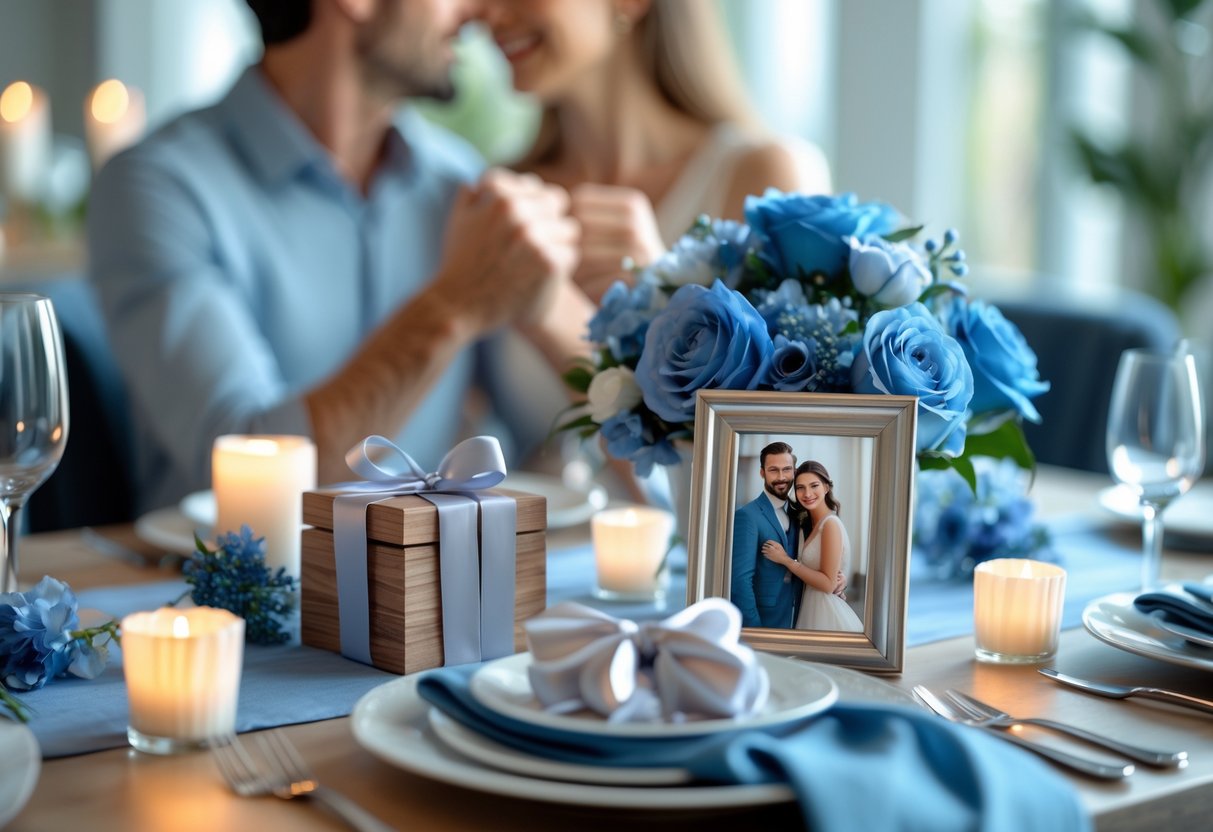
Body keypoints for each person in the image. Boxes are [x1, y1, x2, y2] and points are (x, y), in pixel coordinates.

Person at [88, 0, 594, 512]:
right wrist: (451, 306)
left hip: (426, 583)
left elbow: (558, 438)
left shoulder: (456, 184)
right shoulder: (157, 187)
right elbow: (251, 482)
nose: (479, 11)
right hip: (223, 588)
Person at [476, 0, 832, 458]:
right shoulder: (500, 200)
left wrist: (666, 297)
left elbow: (786, 463)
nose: (490, 15)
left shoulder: (764, 178)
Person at [762, 460, 863, 633]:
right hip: (809, 608)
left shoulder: (830, 524)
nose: (807, 493)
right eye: (800, 487)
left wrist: (786, 560)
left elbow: (828, 584)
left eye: (814, 485)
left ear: (826, 487)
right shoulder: (805, 524)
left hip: (828, 615)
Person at [729, 441, 801, 629]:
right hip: (766, 619)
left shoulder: (799, 512)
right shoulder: (747, 516)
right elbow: (740, 580)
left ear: (794, 471)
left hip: (799, 615)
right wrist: (755, 630)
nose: (781, 477)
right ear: (762, 473)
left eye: (786, 469)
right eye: (773, 470)